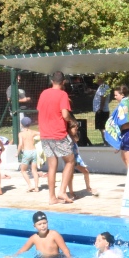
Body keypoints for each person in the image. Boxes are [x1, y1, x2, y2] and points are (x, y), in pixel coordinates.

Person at [37, 71, 76, 205]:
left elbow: (40, 110)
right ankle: (62, 191)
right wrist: (72, 121)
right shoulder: (63, 94)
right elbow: (65, 115)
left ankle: (52, 197)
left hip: (44, 134)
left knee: (52, 166)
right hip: (58, 134)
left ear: (51, 80)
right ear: (63, 82)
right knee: (70, 161)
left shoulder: (43, 93)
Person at [7, 211, 72, 258]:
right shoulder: (34, 238)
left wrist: (68, 257)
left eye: (44, 223)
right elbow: (23, 250)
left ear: (47, 222)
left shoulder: (54, 234)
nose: (43, 226)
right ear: (34, 226)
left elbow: (65, 249)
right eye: (39, 224)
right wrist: (13, 256)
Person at [104, 85, 129, 170]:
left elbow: (119, 120)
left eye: (116, 95)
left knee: (128, 159)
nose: (114, 97)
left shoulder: (123, 104)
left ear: (122, 95)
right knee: (124, 157)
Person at [66, 119, 96, 198]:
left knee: (86, 171)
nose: (76, 131)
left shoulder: (74, 136)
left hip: (77, 157)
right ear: (69, 129)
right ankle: (71, 192)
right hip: (70, 157)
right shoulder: (67, 137)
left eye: (77, 129)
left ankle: (88, 187)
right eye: (74, 129)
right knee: (70, 175)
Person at [16, 116, 41, 192]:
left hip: (26, 152)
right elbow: (41, 134)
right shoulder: (33, 132)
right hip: (34, 151)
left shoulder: (21, 134)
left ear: (21, 124)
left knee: (23, 170)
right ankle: (36, 187)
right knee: (34, 170)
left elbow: (20, 144)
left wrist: (17, 153)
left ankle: (30, 185)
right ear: (30, 124)